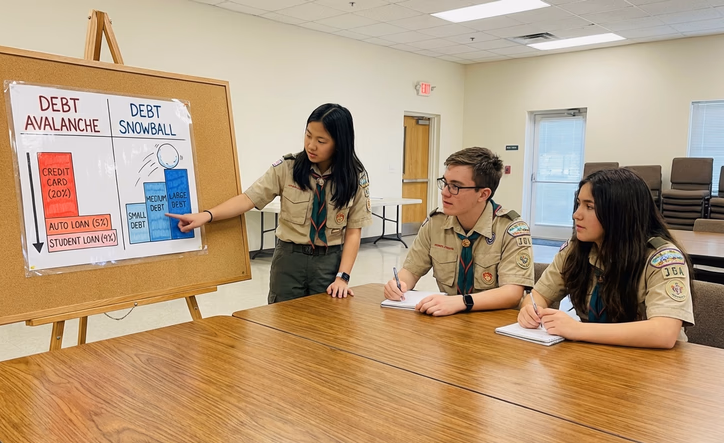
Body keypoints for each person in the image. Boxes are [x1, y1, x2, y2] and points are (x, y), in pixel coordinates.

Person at [167, 103, 371, 303]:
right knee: (282, 322)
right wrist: (206, 215)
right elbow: (248, 198)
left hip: (329, 262)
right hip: (289, 261)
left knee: (326, 325)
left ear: (339, 143)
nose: (311, 145)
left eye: (321, 140)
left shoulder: (354, 177)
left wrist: (342, 277)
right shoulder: (287, 168)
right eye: (308, 135)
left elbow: (354, 231)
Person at [518, 168, 694, 348]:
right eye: (578, 204)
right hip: (597, 356)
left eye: (589, 207)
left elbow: (663, 333)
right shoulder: (576, 250)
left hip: (656, 365)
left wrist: (578, 330)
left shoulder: (662, 258)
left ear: (619, 213)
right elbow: (537, 296)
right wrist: (529, 311)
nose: (576, 215)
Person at [384, 147, 534, 316]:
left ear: (483, 194)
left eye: (455, 187)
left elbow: (512, 294)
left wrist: (462, 302)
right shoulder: (436, 223)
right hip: (448, 320)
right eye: (445, 183)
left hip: (494, 323)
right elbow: (411, 271)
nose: (444, 192)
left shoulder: (510, 229)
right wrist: (399, 285)